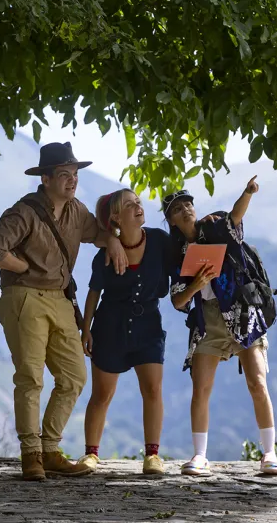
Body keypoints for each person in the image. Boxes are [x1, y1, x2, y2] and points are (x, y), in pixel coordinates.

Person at [0, 142, 127, 481]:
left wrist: (115, 239)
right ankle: (31, 455)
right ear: (45, 179)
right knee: (30, 378)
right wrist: (22, 267)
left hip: (59, 299)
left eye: (74, 175)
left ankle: (49, 450)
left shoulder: (77, 211)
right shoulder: (25, 212)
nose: (72, 181)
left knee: (74, 376)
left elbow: (99, 234)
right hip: (24, 296)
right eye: (64, 175)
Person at [164, 177, 277, 476]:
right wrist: (196, 285)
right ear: (172, 221)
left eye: (188, 204)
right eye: (177, 209)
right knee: (200, 388)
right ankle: (200, 456)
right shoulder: (176, 252)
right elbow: (178, 301)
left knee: (257, 382)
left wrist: (248, 192)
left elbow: (237, 215)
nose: (186, 210)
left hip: (243, 312)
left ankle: (269, 453)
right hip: (208, 319)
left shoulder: (217, 227)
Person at [79, 188, 175, 476]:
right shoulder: (107, 251)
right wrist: (86, 328)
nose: (138, 206)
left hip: (148, 326)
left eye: (139, 202)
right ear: (116, 217)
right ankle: (91, 455)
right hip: (109, 327)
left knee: (153, 389)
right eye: (129, 205)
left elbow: (182, 257)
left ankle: (153, 456)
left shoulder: (159, 240)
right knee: (102, 394)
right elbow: (94, 291)